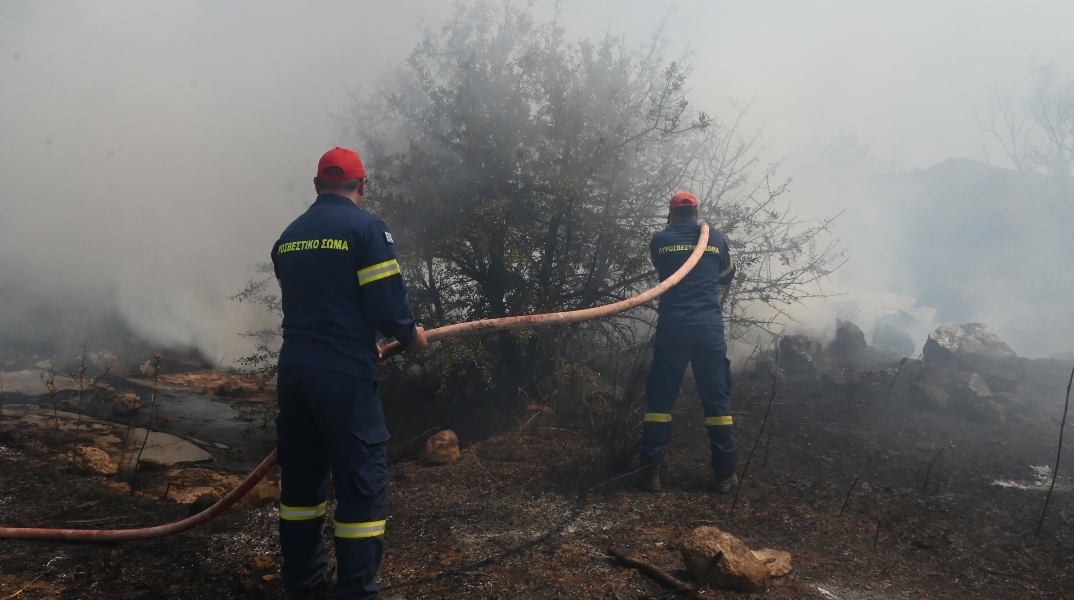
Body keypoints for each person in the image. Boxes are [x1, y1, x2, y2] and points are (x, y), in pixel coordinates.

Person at [271, 147, 428, 600]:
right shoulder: (367, 229)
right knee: (361, 489)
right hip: (344, 378)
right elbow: (385, 304)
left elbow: (316, 303)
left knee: (301, 489)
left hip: (295, 374)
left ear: (317, 185)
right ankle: (355, 591)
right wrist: (411, 336)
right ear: (363, 185)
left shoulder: (288, 238)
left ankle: (303, 585)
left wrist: (360, 340)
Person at [636, 191, 737, 494]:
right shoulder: (714, 237)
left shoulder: (660, 240)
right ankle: (725, 476)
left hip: (674, 328)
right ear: (696, 213)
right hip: (708, 330)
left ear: (671, 215)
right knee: (717, 404)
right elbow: (727, 275)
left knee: (660, 402)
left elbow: (663, 267)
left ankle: (650, 473)